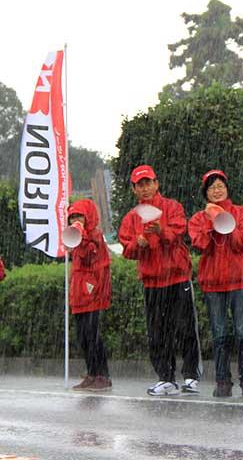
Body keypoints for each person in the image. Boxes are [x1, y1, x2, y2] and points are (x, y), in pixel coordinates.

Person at [119, 165, 201, 397]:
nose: (145, 188)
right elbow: (127, 249)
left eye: (148, 183)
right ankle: (166, 378)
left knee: (186, 328)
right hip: (152, 282)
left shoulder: (172, 207)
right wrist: (139, 244)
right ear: (134, 189)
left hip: (177, 277)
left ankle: (191, 376)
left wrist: (161, 230)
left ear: (157, 184)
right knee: (157, 332)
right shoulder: (131, 218)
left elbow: (177, 233)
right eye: (140, 184)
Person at [188, 169, 243, 398]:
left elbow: (242, 243)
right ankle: (222, 381)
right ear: (205, 193)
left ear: (227, 188)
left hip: (240, 281)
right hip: (213, 283)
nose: (217, 190)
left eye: (220, 186)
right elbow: (200, 245)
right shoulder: (199, 218)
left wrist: (226, 220)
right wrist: (211, 222)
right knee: (219, 334)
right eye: (211, 187)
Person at [67, 199, 113, 392]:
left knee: (92, 335)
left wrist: (81, 235)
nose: (76, 221)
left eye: (79, 217)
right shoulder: (79, 237)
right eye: (72, 218)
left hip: (92, 291)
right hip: (80, 293)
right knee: (83, 336)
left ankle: (102, 375)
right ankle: (92, 373)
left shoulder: (94, 236)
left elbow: (90, 256)